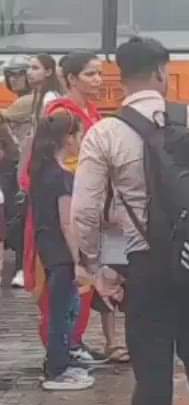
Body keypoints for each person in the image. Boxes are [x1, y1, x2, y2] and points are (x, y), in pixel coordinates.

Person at [71, 37, 189, 405]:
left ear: (120, 77)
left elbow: (85, 211)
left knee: (153, 364)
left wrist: (92, 267)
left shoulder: (105, 132)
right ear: (162, 71)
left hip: (143, 262)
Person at [24, 53, 106, 366]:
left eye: (99, 73)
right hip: (65, 208)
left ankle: (74, 340)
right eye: (90, 74)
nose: (98, 80)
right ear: (71, 78)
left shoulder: (92, 112)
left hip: (88, 205)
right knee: (64, 281)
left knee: (82, 285)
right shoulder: (61, 113)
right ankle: (60, 350)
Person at [30, 112, 93, 391]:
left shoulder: (40, 174)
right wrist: (80, 258)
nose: (79, 141)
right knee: (63, 312)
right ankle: (57, 368)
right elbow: (67, 222)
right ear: (67, 139)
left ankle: (59, 361)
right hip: (62, 254)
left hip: (47, 249)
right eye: (77, 135)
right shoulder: (62, 177)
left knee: (62, 309)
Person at [2, 56, 34, 289]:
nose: (15, 79)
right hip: (14, 164)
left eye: (20, 73)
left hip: (24, 165)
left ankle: (23, 267)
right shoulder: (21, 101)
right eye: (11, 75)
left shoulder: (29, 101)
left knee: (19, 216)